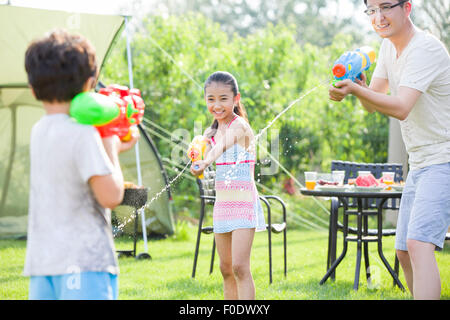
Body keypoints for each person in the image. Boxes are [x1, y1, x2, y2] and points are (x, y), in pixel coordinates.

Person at [329, 0, 450, 299]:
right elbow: (374, 102)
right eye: (372, 10)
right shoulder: (387, 48)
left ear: (407, 7)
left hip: (444, 158)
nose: (378, 17)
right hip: (420, 161)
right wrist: (357, 86)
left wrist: (357, 90)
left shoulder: (425, 49)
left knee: (419, 244)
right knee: (404, 251)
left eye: (386, 7)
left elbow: (401, 107)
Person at [23, 30, 139, 300]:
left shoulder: (39, 130)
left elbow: (70, 165)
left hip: (43, 264)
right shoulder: (84, 133)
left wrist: (113, 147)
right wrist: (109, 139)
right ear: (90, 83)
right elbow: (111, 195)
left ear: (32, 88)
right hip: (84, 264)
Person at [190, 71, 266, 300]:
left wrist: (206, 159)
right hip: (223, 204)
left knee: (240, 267)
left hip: (244, 204)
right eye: (211, 99)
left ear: (236, 98)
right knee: (226, 269)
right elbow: (202, 163)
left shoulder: (239, 126)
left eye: (223, 98)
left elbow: (222, 146)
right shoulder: (210, 132)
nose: (217, 104)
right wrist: (198, 166)